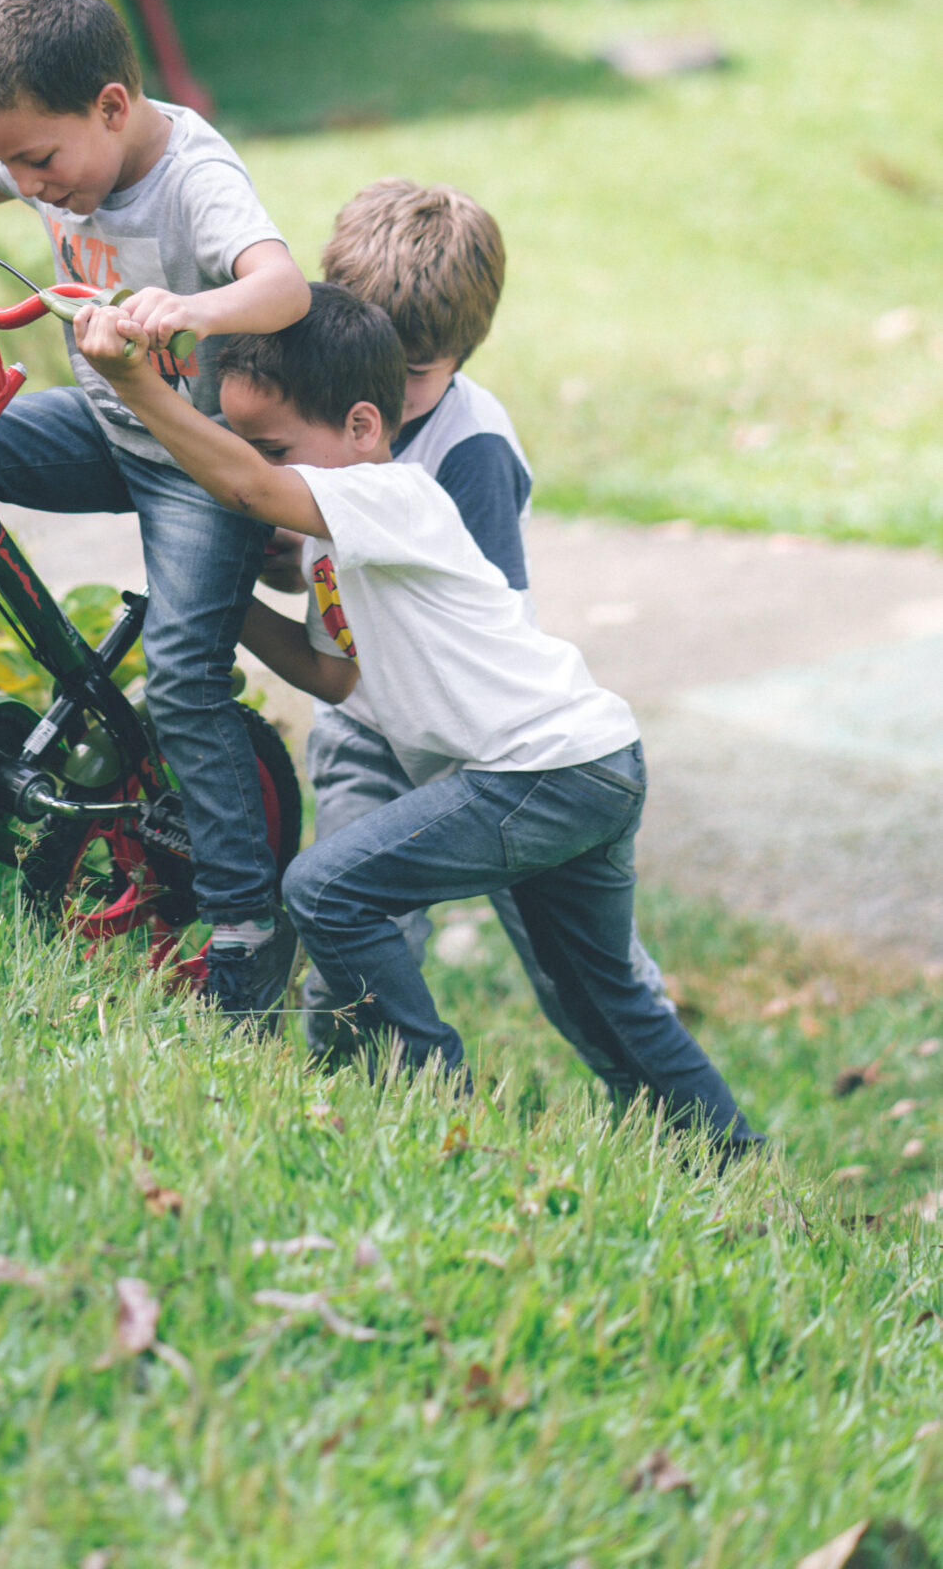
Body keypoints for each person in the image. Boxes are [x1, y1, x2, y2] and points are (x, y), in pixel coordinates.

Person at [72, 283, 758, 1146]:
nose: (255, 462)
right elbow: (339, 679)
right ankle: (732, 1163)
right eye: (248, 442)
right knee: (603, 994)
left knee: (325, 890)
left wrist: (140, 389)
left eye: (274, 446)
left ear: (363, 427)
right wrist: (220, 602)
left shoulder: (392, 497)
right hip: (587, 764)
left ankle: (441, 1104)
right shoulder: (339, 539)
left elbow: (248, 491)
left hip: (543, 769)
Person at [0, 0, 312, 1022]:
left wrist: (190, 307)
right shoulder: (44, 144)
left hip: (198, 461)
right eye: (13, 160)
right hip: (105, 430)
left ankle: (248, 923)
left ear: (112, 107)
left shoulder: (193, 176)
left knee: (189, 676)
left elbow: (283, 285)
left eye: (41, 161)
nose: (27, 182)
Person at [288, 178, 673, 1068]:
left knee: (576, 970)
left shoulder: (471, 448)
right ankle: (339, 1099)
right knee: (347, 925)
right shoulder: (324, 402)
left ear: (463, 350)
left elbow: (480, 616)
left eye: (410, 373)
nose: (379, 389)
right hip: (364, 727)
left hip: (487, 754)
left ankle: (680, 1121)